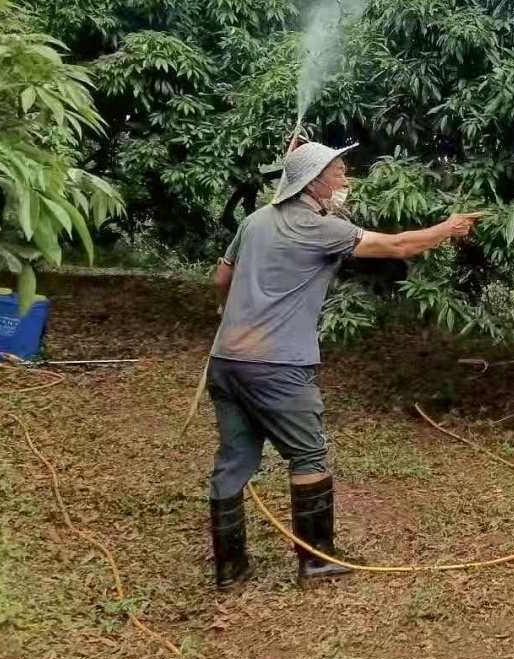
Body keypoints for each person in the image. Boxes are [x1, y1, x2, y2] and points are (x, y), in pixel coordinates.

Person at [207, 139, 483, 589]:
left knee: (234, 458)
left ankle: (229, 568)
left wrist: (225, 314)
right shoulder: (321, 228)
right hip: (278, 366)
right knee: (309, 454)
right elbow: (398, 246)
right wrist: (447, 229)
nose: (345, 181)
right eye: (338, 173)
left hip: (226, 360)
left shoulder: (254, 221)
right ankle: (317, 561)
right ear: (314, 183)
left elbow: (222, 278)